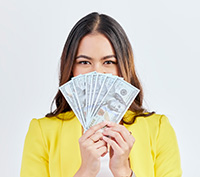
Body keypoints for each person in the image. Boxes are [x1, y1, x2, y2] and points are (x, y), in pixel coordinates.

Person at [20, 12, 182, 177]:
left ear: (123, 67)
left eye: (109, 62)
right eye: (84, 62)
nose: (97, 73)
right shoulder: (42, 132)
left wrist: (123, 172)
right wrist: (85, 171)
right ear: (71, 69)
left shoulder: (158, 130)